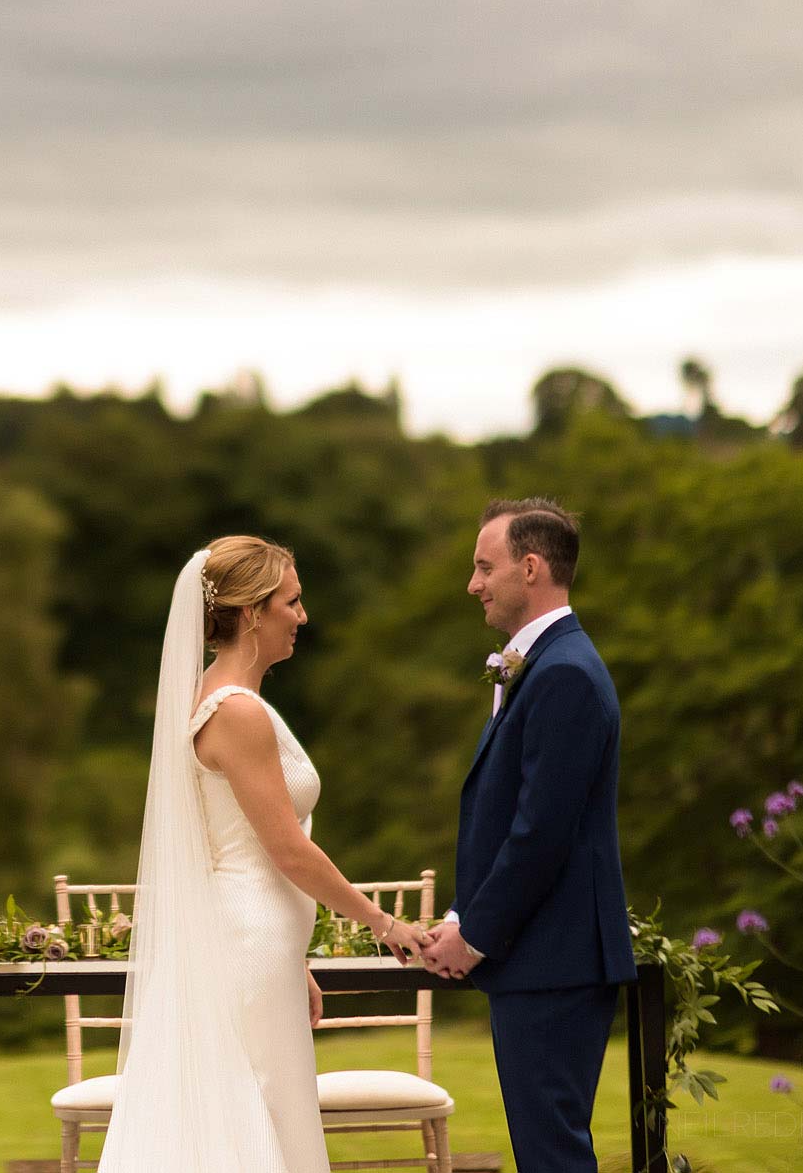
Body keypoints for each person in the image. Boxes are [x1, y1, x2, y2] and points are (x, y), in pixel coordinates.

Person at [96, 535, 429, 1173]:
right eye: (292, 601)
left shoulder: (215, 699)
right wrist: (384, 923)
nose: (303, 615)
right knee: (255, 1119)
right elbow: (288, 851)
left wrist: (293, 958)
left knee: (258, 1112)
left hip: (256, 945)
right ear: (252, 612)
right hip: (247, 942)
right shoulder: (237, 714)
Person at [420, 499, 636, 1171]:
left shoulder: (564, 672)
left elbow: (540, 832)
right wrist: (461, 914)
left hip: (554, 961)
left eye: (485, 567)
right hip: (543, 958)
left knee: (553, 1158)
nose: (473, 584)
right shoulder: (543, 664)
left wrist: (474, 935)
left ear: (532, 567)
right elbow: (508, 817)